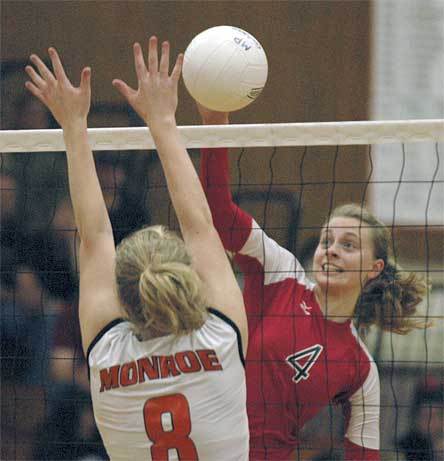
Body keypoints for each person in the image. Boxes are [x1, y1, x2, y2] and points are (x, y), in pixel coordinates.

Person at [25, 38, 249, 460]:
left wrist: (73, 127)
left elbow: (92, 237)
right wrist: (163, 120)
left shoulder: (110, 353)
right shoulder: (221, 337)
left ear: (124, 296)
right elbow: (198, 225)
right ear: (186, 278)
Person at [197, 106, 429, 460]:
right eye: (327, 241)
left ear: (374, 268)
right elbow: (218, 213)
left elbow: (363, 456)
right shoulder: (281, 273)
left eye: (348, 245)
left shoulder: (359, 366)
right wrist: (215, 127)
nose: (331, 251)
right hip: (206, 445)